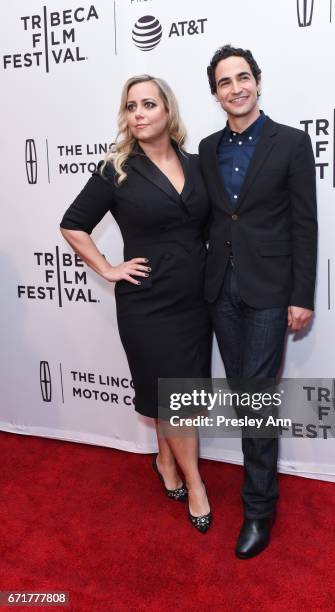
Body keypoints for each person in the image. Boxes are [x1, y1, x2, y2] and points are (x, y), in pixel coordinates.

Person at [60, 75, 212, 533]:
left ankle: (165, 461)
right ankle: (197, 485)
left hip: (195, 301)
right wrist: (107, 268)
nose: (140, 113)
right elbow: (73, 224)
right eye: (131, 106)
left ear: (168, 110)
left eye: (149, 104)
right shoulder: (117, 168)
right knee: (177, 396)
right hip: (148, 304)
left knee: (177, 392)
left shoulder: (198, 164)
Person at [199, 45, 318, 557]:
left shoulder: (291, 143)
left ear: (258, 81)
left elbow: (304, 224)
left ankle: (258, 511)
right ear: (216, 93)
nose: (236, 88)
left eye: (242, 77)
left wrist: (301, 295)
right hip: (220, 290)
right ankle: (260, 495)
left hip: (271, 291)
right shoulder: (206, 149)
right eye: (225, 82)